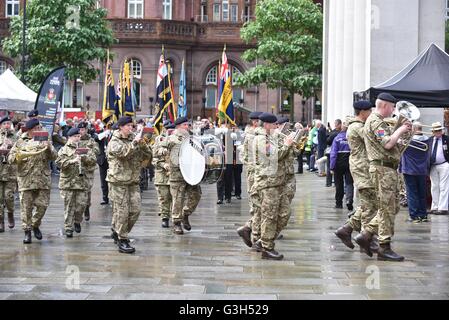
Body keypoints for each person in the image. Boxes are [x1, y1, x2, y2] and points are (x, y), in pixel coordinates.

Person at [355, 92, 411, 261]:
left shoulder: (377, 122)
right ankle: (383, 247)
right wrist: (401, 129)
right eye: (393, 107)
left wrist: (403, 135)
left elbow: (390, 145)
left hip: (387, 169)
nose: (394, 111)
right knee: (387, 208)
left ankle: (366, 234)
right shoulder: (376, 121)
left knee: (392, 207)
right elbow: (387, 143)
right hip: (382, 169)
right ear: (385, 105)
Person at [334, 101, 378, 252]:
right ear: (363, 112)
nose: (372, 113)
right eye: (370, 111)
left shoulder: (357, 125)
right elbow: (376, 140)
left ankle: (347, 229)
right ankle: (367, 240)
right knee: (369, 206)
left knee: (369, 204)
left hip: (362, 168)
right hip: (363, 169)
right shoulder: (357, 127)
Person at [250, 112, 294, 260]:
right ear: (267, 125)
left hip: (277, 183)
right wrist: (287, 144)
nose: (277, 127)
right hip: (267, 184)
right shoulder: (261, 140)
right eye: (275, 125)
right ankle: (267, 247)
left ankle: (262, 241)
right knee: (270, 216)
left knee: (284, 213)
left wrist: (289, 143)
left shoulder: (271, 138)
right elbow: (275, 156)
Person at [8, 118, 58, 243]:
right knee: (26, 208)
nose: (38, 130)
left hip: (43, 179)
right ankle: (27, 231)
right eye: (35, 129)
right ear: (29, 130)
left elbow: (54, 157)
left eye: (39, 128)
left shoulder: (45, 139)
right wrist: (22, 155)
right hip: (26, 178)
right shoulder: (20, 141)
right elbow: (11, 159)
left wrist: (49, 148)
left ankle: (35, 224)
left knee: (43, 206)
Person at [107, 116, 152, 253]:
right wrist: (135, 143)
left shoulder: (134, 138)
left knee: (135, 211)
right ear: (120, 127)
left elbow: (148, 155)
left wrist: (143, 143)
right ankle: (123, 239)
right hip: (118, 180)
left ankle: (118, 230)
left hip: (133, 180)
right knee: (122, 212)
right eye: (127, 126)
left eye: (132, 126)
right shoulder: (114, 141)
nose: (131, 128)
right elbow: (124, 153)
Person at [56, 127, 97, 237]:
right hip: (68, 182)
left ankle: (77, 221)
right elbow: (59, 164)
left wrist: (84, 158)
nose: (77, 138)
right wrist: (71, 161)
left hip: (82, 181)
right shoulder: (64, 149)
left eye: (78, 136)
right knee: (69, 206)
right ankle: (68, 227)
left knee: (81, 205)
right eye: (75, 136)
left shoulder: (85, 148)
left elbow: (93, 161)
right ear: (69, 137)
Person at [164, 116, 202, 235]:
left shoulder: (191, 139)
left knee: (196, 195)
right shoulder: (170, 139)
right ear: (179, 126)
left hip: (191, 173)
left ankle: (185, 214)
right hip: (177, 174)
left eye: (188, 125)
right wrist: (166, 160)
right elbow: (158, 152)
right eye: (185, 125)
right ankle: (176, 223)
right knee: (177, 199)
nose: (188, 127)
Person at [236, 111, 262, 246]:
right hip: (255, 174)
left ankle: (251, 231)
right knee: (257, 206)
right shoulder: (253, 136)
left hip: (256, 172)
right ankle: (254, 235)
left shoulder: (256, 135)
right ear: (255, 122)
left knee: (259, 206)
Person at [399, 122, 430, 222]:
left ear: (413, 129)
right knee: (422, 192)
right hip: (422, 170)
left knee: (412, 193)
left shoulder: (408, 141)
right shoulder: (428, 140)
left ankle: (414, 215)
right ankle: (423, 214)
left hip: (409, 170)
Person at [152, 120, 174, 228]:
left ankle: (176, 218)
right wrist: (162, 165)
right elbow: (154, 158)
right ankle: (165, 217)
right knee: (164, 197)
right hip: (162, 174)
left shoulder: (178, 140)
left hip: (175, 174)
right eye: (168, 128)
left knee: (176, 198)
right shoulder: (158, 140)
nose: (170, 130)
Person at [330, 120, 354, 211]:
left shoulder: (337, 139)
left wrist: (332, 166)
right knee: (349, 183)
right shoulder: (351, 138)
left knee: (339, 184)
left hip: (338, 163)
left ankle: (339, 203)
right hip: (349, 162)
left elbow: (333, 154)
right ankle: (349, 200)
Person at [78, 121, 99, 221]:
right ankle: (78, 212)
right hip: (76, 169)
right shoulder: (74, 139)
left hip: (88, 169)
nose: (81, 132)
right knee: (77, 191)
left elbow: (97, 151)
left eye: (82, 130)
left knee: (86, 190)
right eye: (80, 130)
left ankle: (86, 207)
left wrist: (87, 151)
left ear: (86, 130)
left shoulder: (91, 140)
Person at [0, 116, 17, 232]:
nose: (6, 125)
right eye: (4, 123)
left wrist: (11, 147)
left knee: (9, 197)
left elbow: (20, 150)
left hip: (11, 171)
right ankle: (1, 221)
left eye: (8, 123)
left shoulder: (15, 136)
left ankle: (10, 213)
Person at [428, 121, 449, 215]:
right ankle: (435, 206)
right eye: (436, 131)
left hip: (444, 164)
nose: (438, 132)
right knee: (434, 186)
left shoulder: (447, 139)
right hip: (432, 165)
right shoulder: (430, 140)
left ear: (442, 131)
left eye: (439, 130)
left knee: (444, 186)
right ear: (433, 132)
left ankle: (443, 208)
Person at [326, 119, 342, 186]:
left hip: (332, 152)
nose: (335, 125)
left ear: (339, 124)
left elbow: (328, 141)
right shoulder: (342, 132)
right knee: (336, 169)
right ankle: (336, 183)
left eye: (336, 124)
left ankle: (329, 183)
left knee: (330, 167)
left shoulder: (334, 132)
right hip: (340, 152)